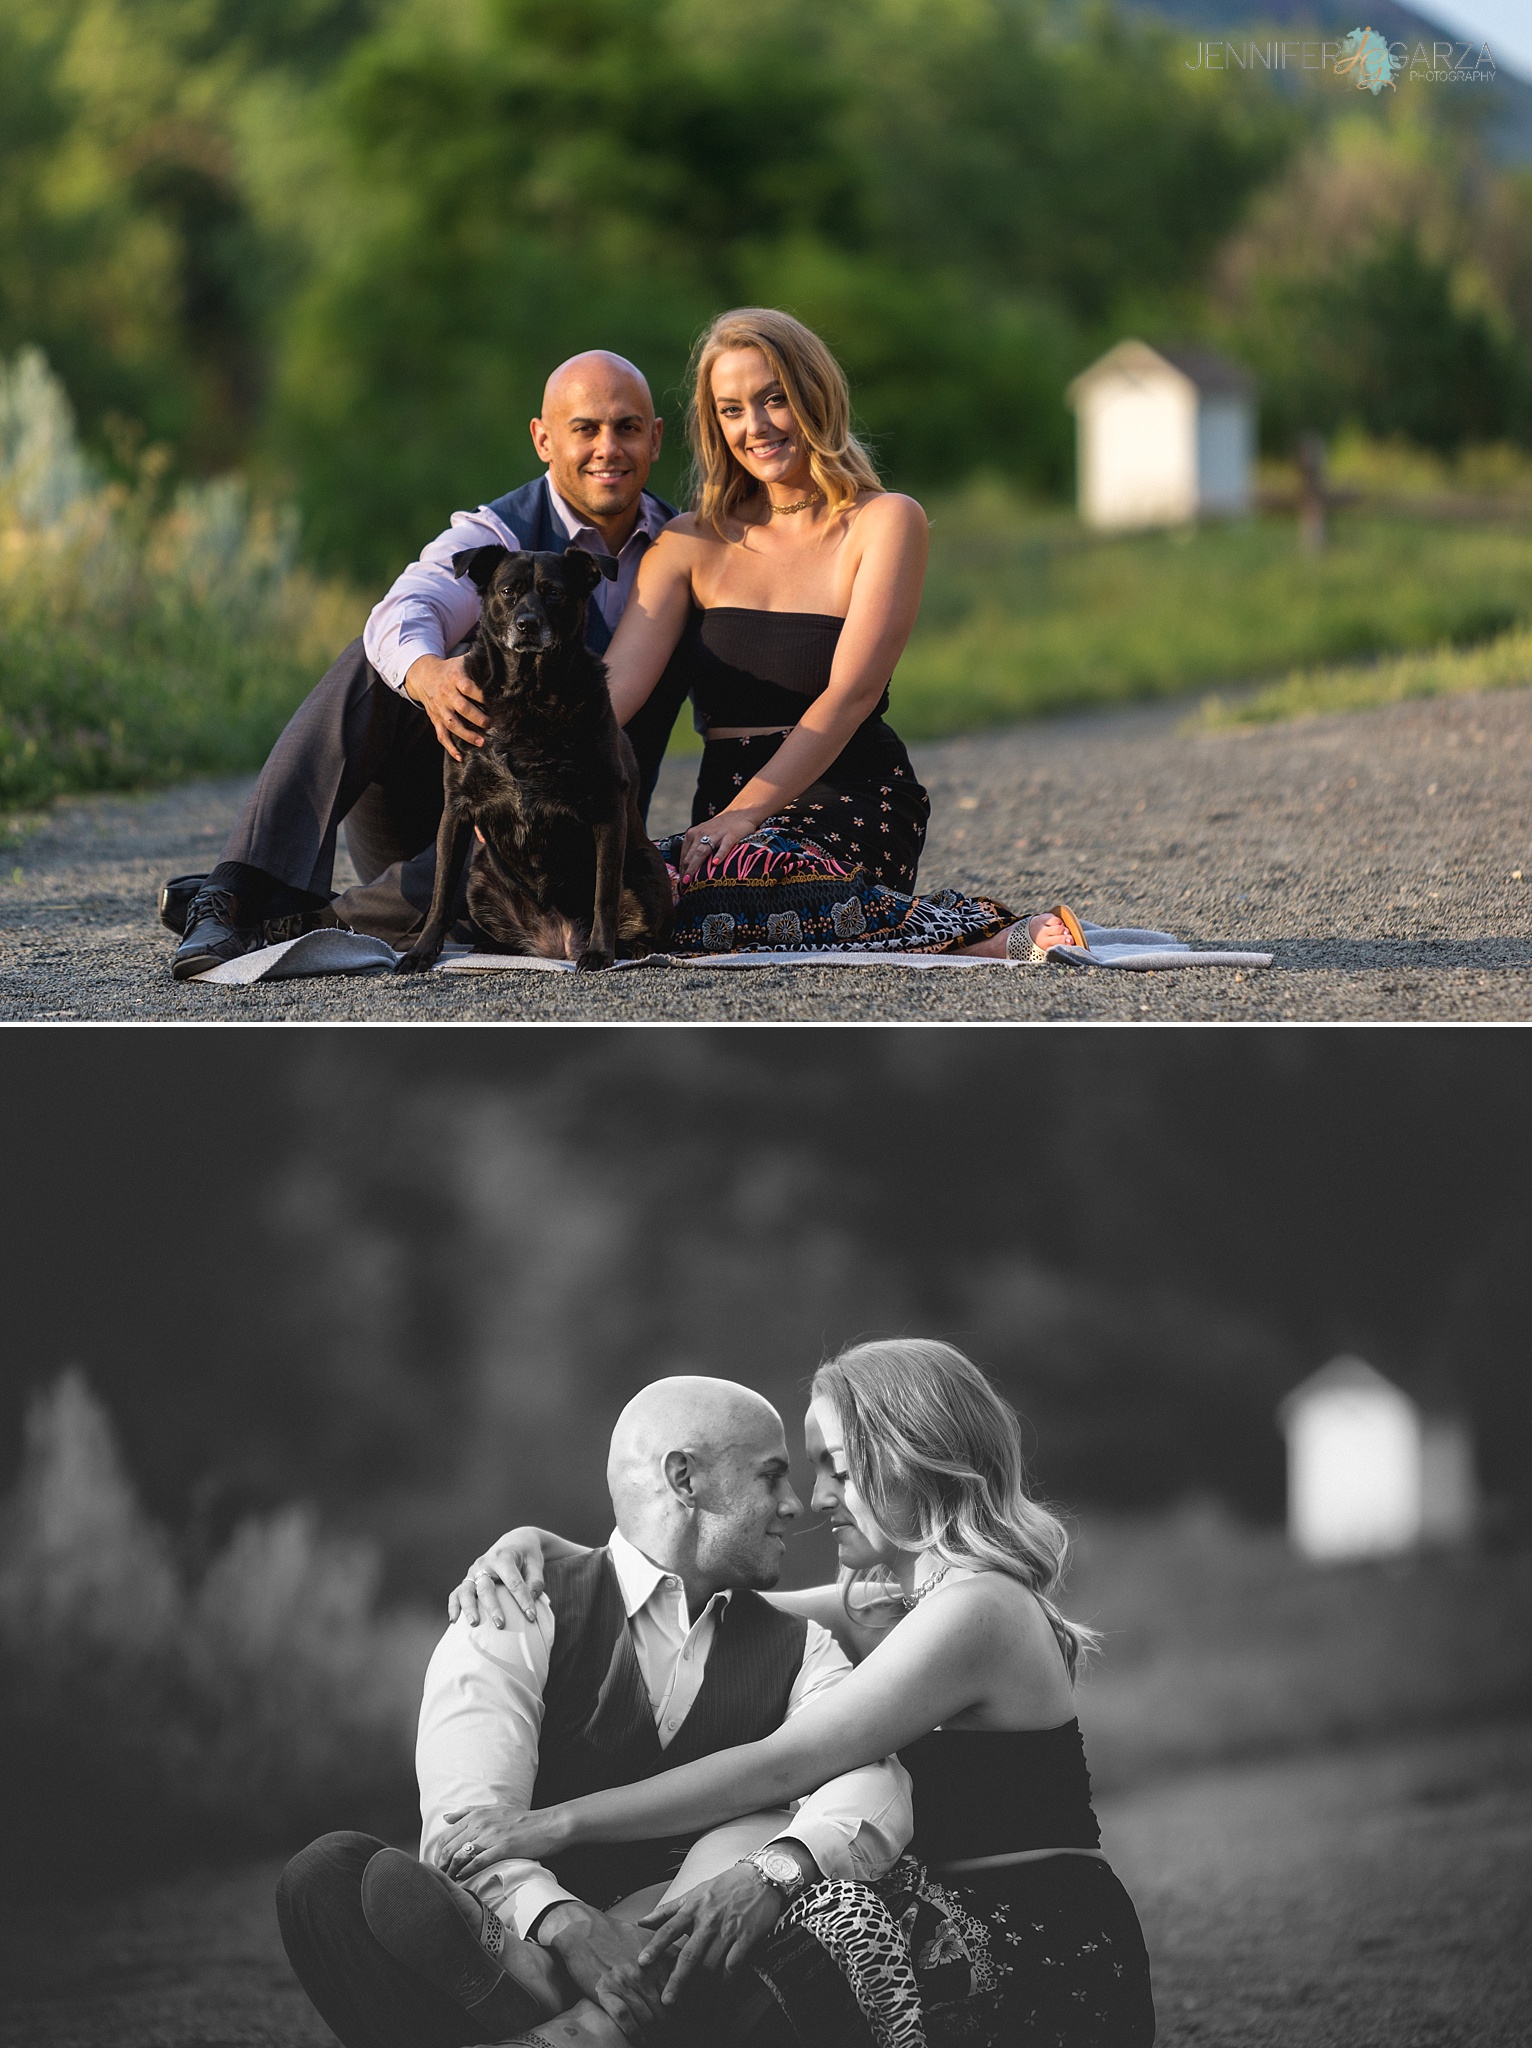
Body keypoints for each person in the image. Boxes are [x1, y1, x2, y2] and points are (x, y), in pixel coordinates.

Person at [447, 1340, 1157, 2047]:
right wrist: (537, 1545)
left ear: (912, 1458)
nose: (817, 1500)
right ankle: (581, 2006)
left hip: (1037, 1941)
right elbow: (680, 1598)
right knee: (770, 1883)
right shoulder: (891, 1606)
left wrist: (559, 1822)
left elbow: (784, 1764)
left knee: (808, 1903)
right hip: (937, 1916)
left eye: (838, 1470)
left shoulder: (980, 1611)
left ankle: (579, 2023)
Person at [275, 1376, 915, 2048]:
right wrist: (566, 1925)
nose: (795, 1505)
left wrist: (777, 1868)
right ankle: (555, 2000)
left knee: (783, 1911)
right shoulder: (516, 1606)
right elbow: (466, 1826)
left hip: (699, 1962)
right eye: (771, 1476)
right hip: (530, 1931)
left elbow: (872, 1779)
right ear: (685, 1479)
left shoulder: (801, 1647)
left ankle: (555, 2012)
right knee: (328, 1877)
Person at [167, 350, 687, 977]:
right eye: (585, 428)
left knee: (487, 881)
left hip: (574, 840)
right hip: (438, 804)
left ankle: (293, 919)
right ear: (543, 439)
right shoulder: (493, 531)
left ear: (655, 439)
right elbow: (403, 608)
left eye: (627, 427)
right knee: (382, 657)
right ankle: (238, 889)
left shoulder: (683, 552)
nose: (608, 447)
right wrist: (428, 675)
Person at [591, 308, 1081, 959]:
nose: (755, 426)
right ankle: (885, 924)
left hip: (850, 794)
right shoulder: (687, 543)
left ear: (814, 396)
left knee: (751, 883)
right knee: (613, 892)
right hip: (725, 807)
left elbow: (850, 694)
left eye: (774, 399)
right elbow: (611, 692)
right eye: (732, 409)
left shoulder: (883, 521)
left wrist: (747, 813)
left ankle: (969, 934)